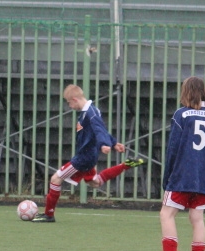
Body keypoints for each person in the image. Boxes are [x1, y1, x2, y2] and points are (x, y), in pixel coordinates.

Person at [31, 84, 145, 223]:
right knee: (95, 183)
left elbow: (99, 129)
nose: (70, 106)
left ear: (74, 99)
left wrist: (105, 143)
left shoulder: (90, 112)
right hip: (88, 156)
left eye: (69, 103)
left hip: (83, 158)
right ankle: (125, 165)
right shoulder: (89, 111)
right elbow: (101, 128)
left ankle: (49, 214)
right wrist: (114, 143)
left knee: (56, 179)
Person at [146, 76, 205, 251]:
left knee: (166, 214)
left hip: (182, 175)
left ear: (185, 92)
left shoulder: (181, 115)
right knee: (197, 218)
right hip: (204, 176)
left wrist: (168, 176)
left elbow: (173, 148)